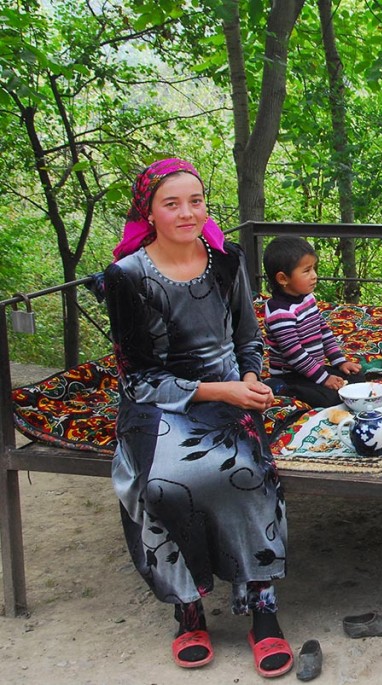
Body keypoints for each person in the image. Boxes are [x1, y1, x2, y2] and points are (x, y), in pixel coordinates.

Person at [104, 159, 293, 677]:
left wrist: (250, 380)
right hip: (160, 403)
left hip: (230, 395)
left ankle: (262, 609)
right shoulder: (127, 277)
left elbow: (248, 340)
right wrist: (219, 389)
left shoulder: (227, 260)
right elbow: (139, 378)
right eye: (172, 203)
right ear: (149, 211)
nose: (188, 213)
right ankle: (187, 607)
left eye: (197, 200)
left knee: (249, 475)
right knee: (163, 484)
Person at [262, 235, 365, 407]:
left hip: (313, 368)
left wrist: (340, 361)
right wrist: (324, 378)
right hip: (292, 374)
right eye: (306, 271)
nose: (314, 276)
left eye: (313, 269)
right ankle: (282, 388)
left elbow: (323, 330)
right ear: (283, 279)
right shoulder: (280, 313)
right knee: (331, 398)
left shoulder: (307, 298)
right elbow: (295, 354)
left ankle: (322, 380)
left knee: (357, 378)